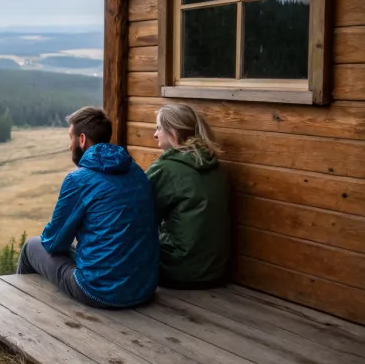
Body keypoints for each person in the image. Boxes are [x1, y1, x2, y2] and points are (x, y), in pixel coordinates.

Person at [16, 106, 159, 308]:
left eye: (70, 137)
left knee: (32, 246)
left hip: (100, 292)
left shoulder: (78, 180)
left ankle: (19, 311)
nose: (69, 146)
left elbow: (53, 243)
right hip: (145, 288)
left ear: (82, 140)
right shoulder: (136, 171)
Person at [147, 103, 230, 289]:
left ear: (174, 134)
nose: (155, 134)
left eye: (159, 128)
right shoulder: (216, 166)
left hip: (177, 270)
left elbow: (139, 216)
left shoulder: (167, 168)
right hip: (214, 271)